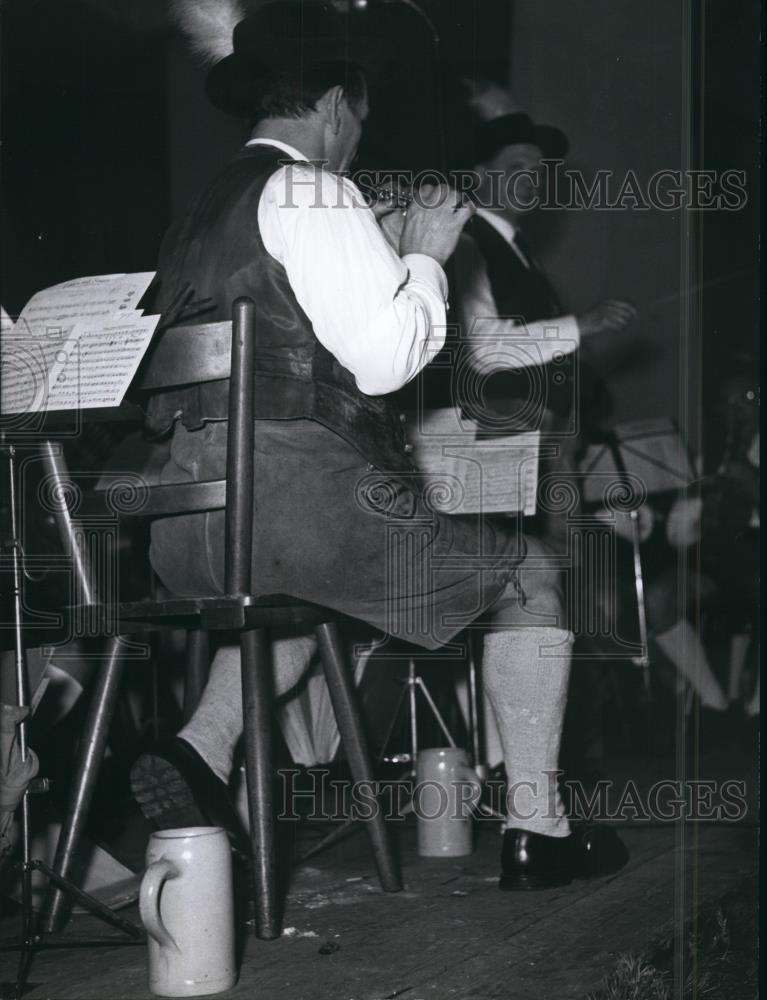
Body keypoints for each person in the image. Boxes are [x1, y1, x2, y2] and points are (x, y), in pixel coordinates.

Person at [131, 0, 626, 890]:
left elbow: (294, 336)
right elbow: (386, 365)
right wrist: (429, 254)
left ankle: (198, 748)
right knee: (531, 574)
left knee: (300, 586)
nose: (357, 135)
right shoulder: (317, 188)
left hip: (188, 532)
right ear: (332, 103)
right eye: (357, 114)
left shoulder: (201, 211)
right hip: (296, 506)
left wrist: (388, 256)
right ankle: (535, 828)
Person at [449, 81, 637, 772]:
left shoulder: (515, 251)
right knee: (519, 591)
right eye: (515, 169)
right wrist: (578, 326)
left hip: (539, 443)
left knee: (536, 592)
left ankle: (518, 766)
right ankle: (506, 769)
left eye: (536, 171)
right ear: (476, 176)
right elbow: (481, 347)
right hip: (496, 443)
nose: (530, 182)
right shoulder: (465, 242)